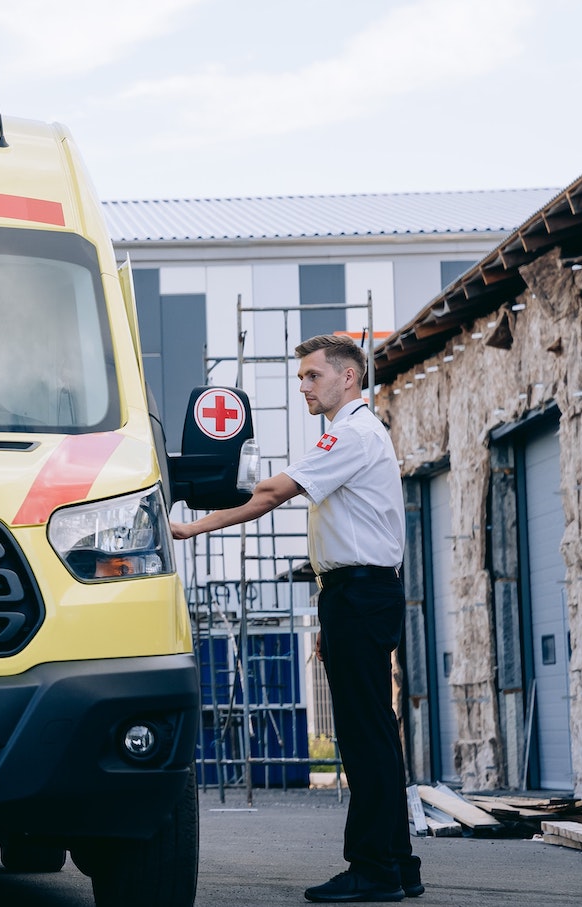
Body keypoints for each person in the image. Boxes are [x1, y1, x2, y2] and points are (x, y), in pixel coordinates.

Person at [171, 335, 421, 904]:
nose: (303, 386)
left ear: (348, 378)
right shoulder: (358, 433)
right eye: (301, 377)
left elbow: (268, 494)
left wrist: (189, 526)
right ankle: (400, 863)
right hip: (354, 593)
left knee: (363, 738)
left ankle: (374, 869)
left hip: (359, 595)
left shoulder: (350, 434)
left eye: (312, 376)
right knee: (375, 733)